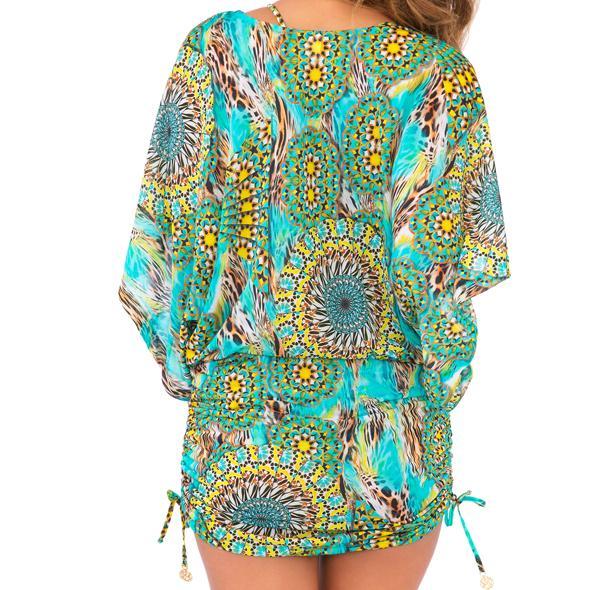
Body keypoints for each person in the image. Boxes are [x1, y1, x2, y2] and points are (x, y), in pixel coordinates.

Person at [117, 1, 510, 588]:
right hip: (390, 436)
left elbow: (161, 254)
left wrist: (201, 373)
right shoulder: (436, 72)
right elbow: (441, 283)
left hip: (246, 428)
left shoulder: (218, 51)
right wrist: (430, 388)